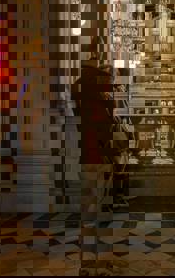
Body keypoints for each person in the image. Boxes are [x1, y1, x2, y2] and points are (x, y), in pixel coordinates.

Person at [71, 37, 117, 216]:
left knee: (91, 173)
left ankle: (92, 207)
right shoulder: (97, 92)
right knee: (95, 173)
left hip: (89, 137)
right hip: (95, 139)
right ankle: (95, 207)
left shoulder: (81, 87)